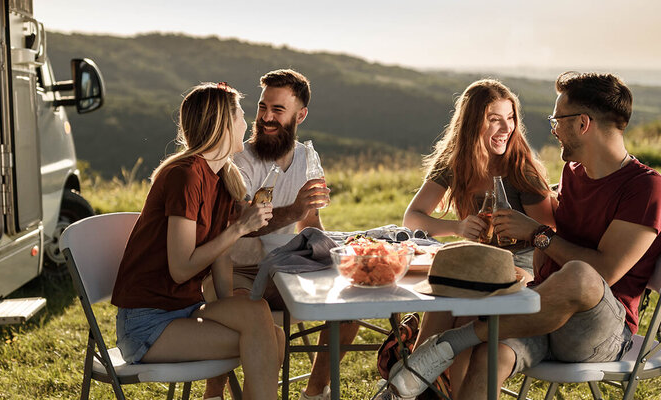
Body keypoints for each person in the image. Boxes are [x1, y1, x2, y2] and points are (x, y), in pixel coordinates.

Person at [387, 72, 661, 400]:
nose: (553, 129)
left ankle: (456, 340)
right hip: (540, 318)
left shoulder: (646, 188)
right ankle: (435, 367)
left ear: (583, 124)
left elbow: (604, 273)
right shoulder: (573, 173)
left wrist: (536, 234)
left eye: (557, 120)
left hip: (598, 329)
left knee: (580, 274)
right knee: (490, 354)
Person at [111, 82, 284, 400]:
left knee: (265, 321)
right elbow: (180, 269)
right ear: (223, 123)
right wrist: (239, 229)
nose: (248, 123)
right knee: (266, 339)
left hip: (185, 309)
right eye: (242, 115)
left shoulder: (222, 180)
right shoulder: (185, 175)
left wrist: (230, 307)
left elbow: (221, 259)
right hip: (148, 323)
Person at [200, 69, 357, 400]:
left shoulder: (307, 157)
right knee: (238, 314)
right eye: (261, 108)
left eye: (277, 110)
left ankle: (314, 393)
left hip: (284, 270)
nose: (266, 118)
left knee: (350, 309)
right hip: (236, 272)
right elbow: (235, 221)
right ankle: (213, 395)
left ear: (300, 115)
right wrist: (292, 211)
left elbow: (310, 220)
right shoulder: (239, 160)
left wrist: (323, 253)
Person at [403, 79, 555, 274]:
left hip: (523, 262)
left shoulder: (521, 170)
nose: (507, 128)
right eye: (494, 119)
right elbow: (412, 218)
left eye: (510, 117)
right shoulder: (454, 163)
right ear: (472, 123)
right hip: (479, 257)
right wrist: (458, 228)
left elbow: (548, 232)